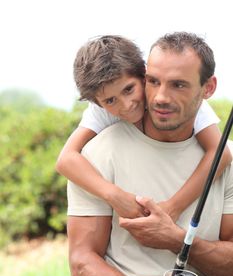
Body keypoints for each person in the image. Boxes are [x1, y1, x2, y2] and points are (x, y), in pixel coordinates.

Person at [39, 33, 233, 276]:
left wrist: (173, 233)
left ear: (208, 88)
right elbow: (82, 259)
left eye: (179, 85)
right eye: (154, 82)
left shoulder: (219, 149)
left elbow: (222, 154)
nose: (158, 97)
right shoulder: (97, 146)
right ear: (146, 74)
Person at [56, 36, 231, 222]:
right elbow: (66, 159)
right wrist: (115, 196)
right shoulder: (100, 110)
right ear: (98, 102)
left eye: (129, 89)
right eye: (110, 101)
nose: (126, 105)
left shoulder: (184, 104)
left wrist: (173, 207)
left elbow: (221, 154)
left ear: (143, 75)